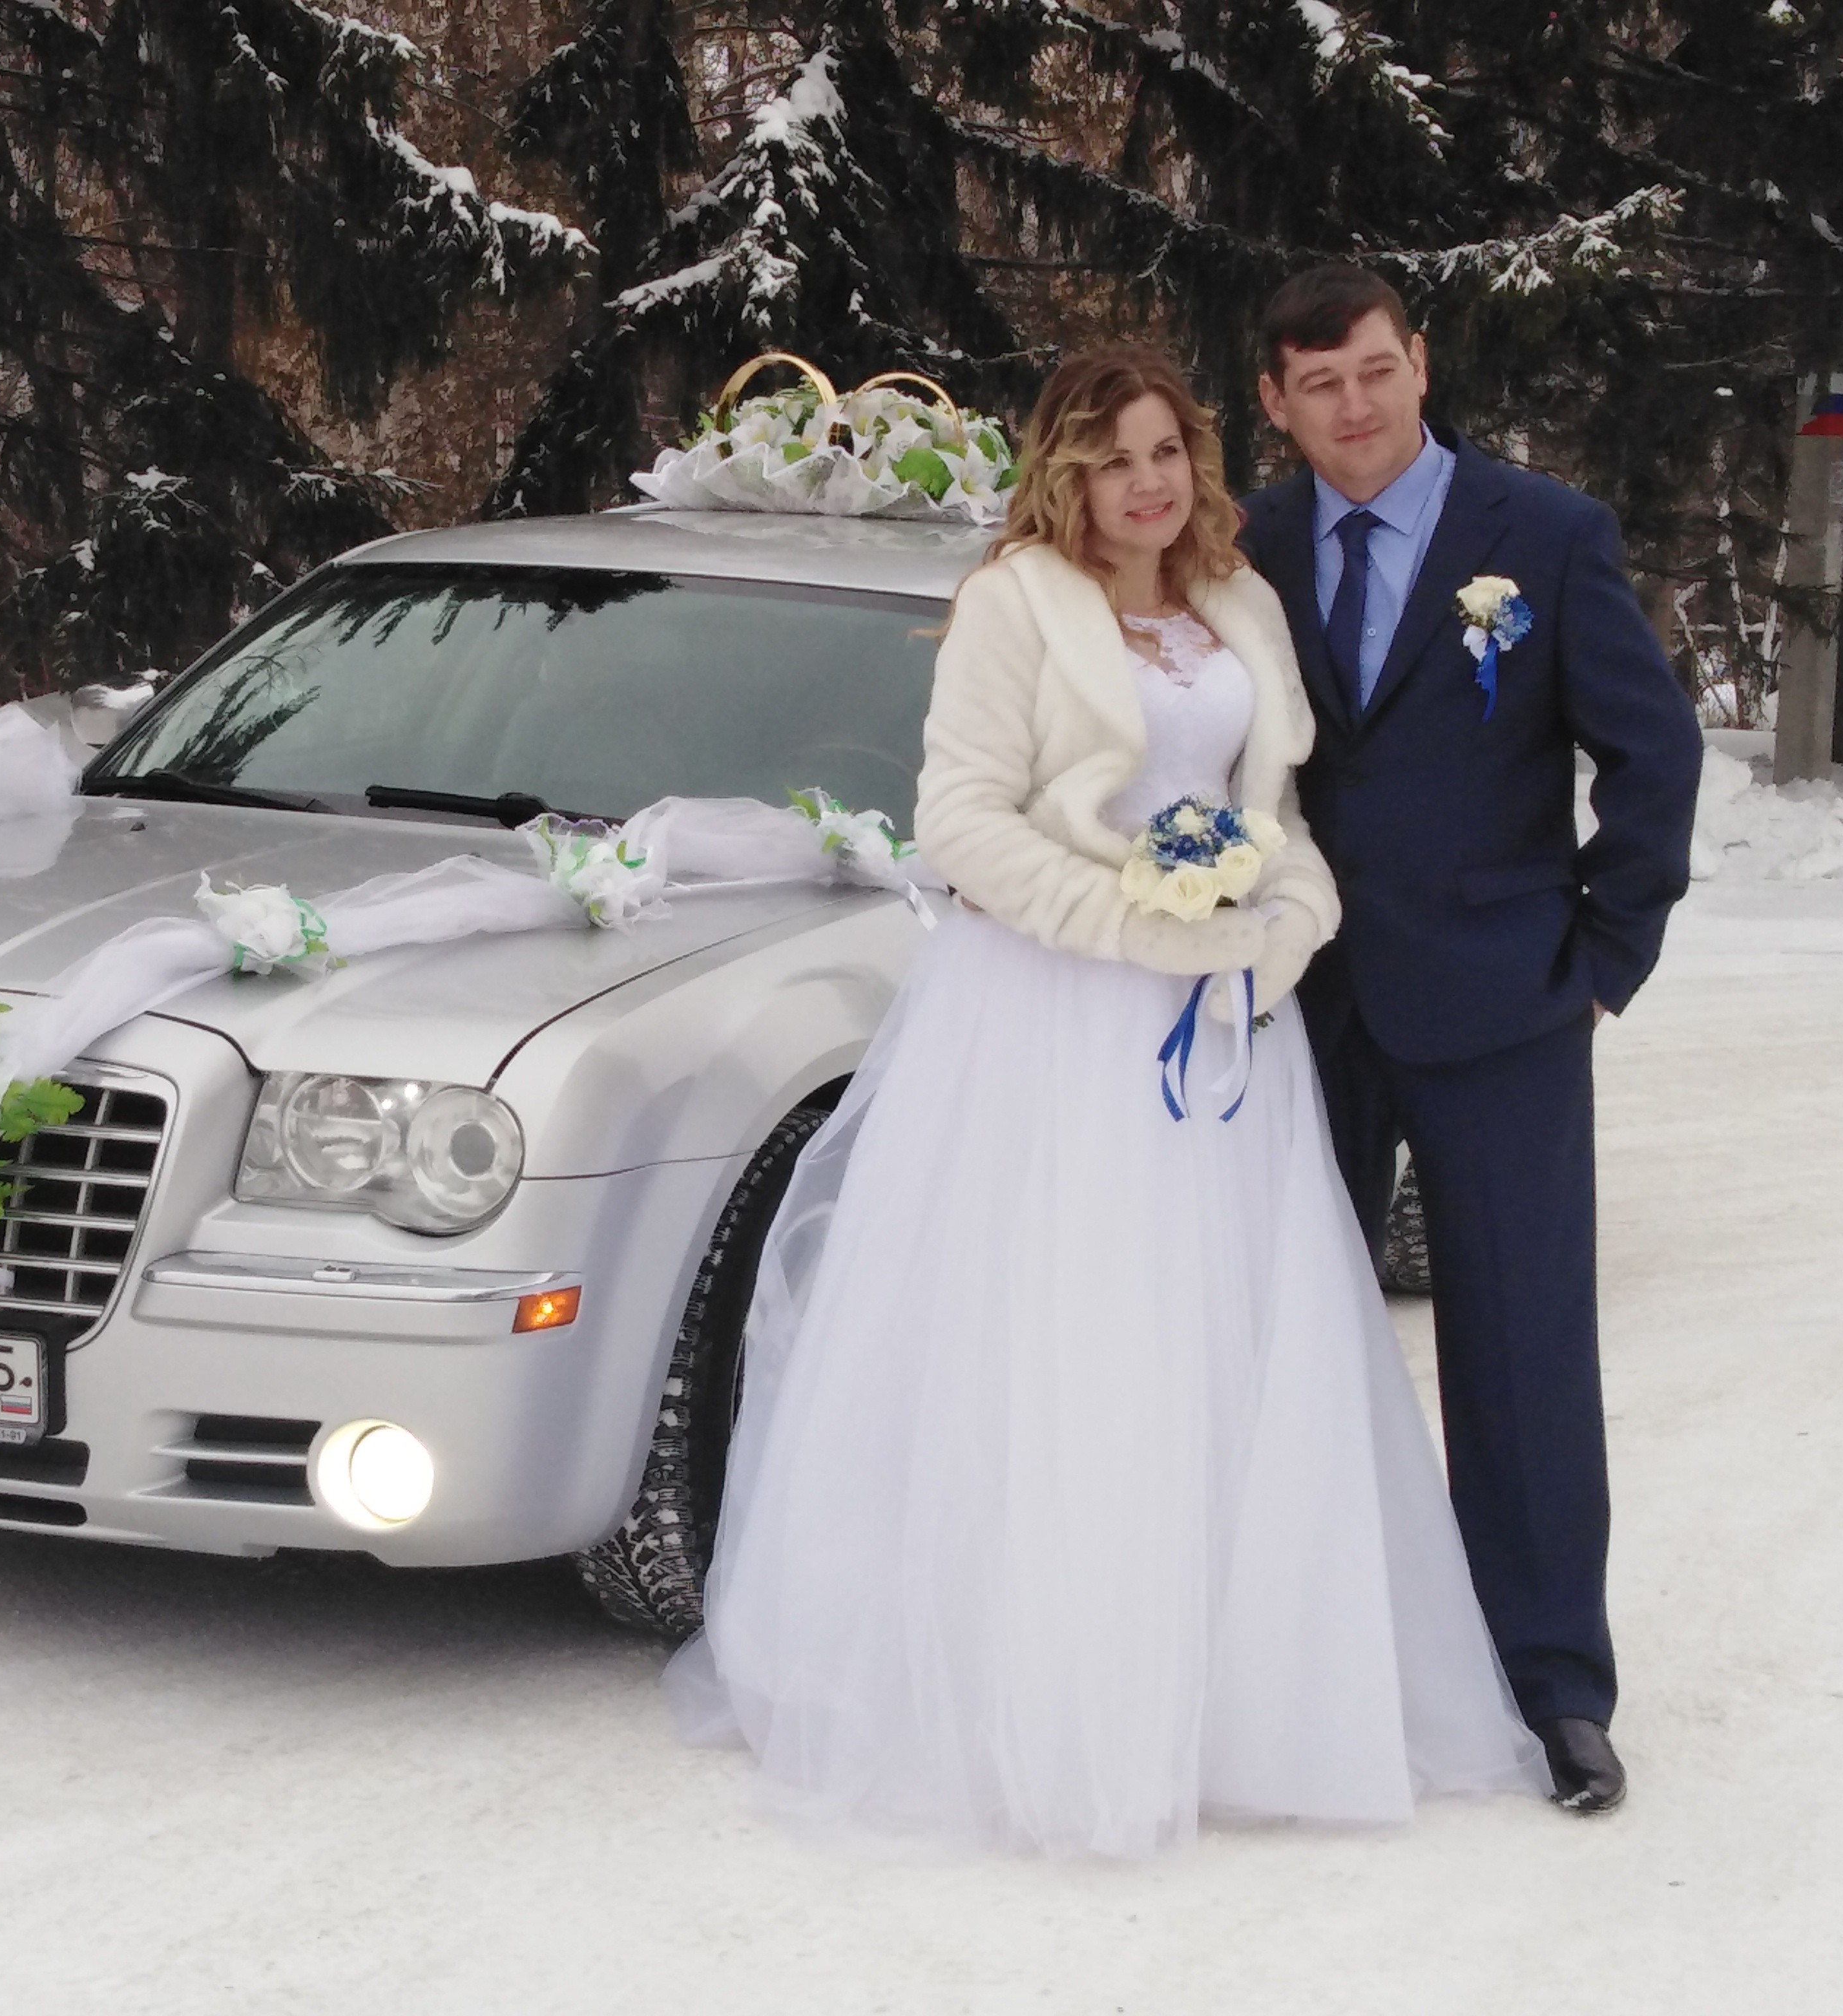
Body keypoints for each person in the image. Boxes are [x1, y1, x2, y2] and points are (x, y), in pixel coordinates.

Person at [665, 346, 1551, 1856]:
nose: (1145, 483)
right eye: (1112, 458)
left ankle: (1232, 1703)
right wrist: (1136, 924)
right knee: (1068, 1346)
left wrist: (1288, 918)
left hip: (1224, 1029)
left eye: (1165, 452)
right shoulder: (1014, 603)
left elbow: (1278, 815)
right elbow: (961, 825)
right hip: (1054, 1019)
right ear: (1063, 474)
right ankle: (1057, 1704)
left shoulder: (1237, 603)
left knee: (1216, 1342)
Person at [1238, 266, 1705, 1814]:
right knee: (1290, 1341)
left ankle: (1552, 1685)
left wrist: (1603, 958)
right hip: (1298, 1004)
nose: (1354, 406)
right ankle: (1316, 1668)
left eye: (1375, 370)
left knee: (1520, 1353)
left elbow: (1651, 755)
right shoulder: (1243, 546)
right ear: (1276, 402)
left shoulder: (1545, 535)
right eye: (1319, 384)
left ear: (1419, 364)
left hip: (1504, 1006)